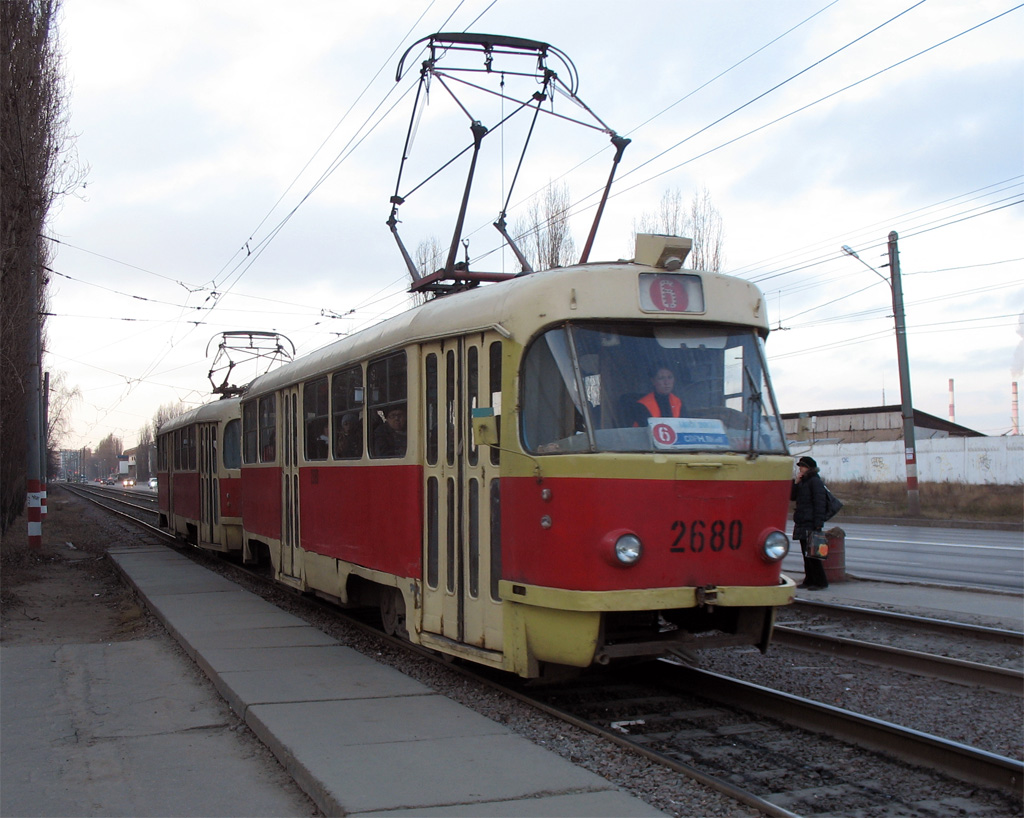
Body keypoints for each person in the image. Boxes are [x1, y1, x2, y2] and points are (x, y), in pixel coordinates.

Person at [791, 455, 829, 590]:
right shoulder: (803, 482)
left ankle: (820, 581)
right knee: (806, 554)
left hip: (811, 521)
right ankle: (809, 579)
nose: (800, 469)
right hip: (802, 521)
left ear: (808, 468)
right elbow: (791, 496)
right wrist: (795, 482)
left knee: (814, 555)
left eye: (802, 466)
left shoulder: (815, 481)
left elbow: (820, 503)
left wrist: (819, 522)